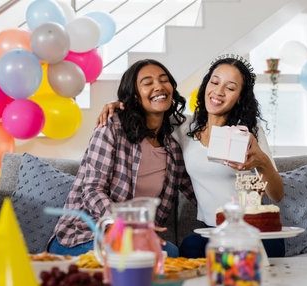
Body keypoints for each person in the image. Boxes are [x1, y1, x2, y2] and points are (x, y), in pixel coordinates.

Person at [97, 54, 285, 257]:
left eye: (230, 88)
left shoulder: (248, 131)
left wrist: (263, 163)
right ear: (205, 86)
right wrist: (118, 105)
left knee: (242, 257)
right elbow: (150, 105)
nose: (218, 92)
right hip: (212, 232)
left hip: (251, 232)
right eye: (214, 82)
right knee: (188, 248)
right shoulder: (183, 126)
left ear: (240, 96)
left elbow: (277, 195)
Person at [49, 59, 197, 258]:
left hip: (138, 241)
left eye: (164, 80)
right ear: (135, 96)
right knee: (147, 256)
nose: (159, 86)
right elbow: (92, 189)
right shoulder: (112, 127)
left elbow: (197, 190)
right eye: (148, 82)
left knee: (169, 253)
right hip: (84, 236)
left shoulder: (173, 150)